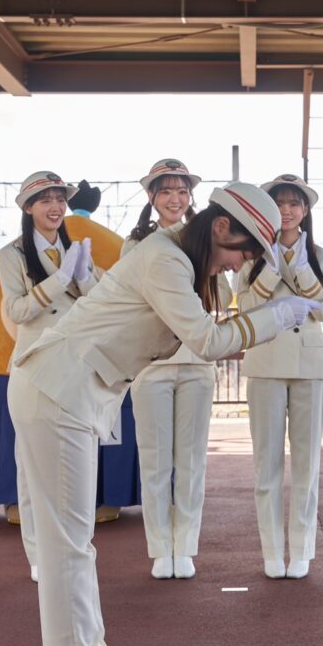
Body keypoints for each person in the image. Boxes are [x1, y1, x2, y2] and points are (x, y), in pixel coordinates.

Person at [7, 181, 320, 646]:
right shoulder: (167, 260)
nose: (234, 266)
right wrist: (279, 315)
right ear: (220, 227)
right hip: (57, 391)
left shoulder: (173, 254)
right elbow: (208, 341)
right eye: (240, 252)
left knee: (73, 543)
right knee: (68, 546)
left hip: (66, 390)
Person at [121, 159, 231, 580]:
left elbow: (225, 287)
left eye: (181, 191)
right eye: (165, 191)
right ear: (151, 197)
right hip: (152, 362)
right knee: (154, 460)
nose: (174, 199)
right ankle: (158, 548)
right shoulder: (136, 245)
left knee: (190, 460)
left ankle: (184, 545)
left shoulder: (207, 239)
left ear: (191, 198)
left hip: (197, 360)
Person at [0, 171, 98, 582]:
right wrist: (60, 281)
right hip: (34, 368)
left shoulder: (80, 250)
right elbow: (18, 312)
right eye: (45, 200)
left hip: (75, 368)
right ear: (28, 208)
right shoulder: (14, 254)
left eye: (59, 198)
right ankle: (39, 553)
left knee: (82, 460)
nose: (55, 207)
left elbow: (102, 303)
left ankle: (76, 546)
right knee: (32, 465)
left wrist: (87, 277)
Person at [236, 174, 323, 579]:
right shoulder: (249, 254)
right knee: (267, 464)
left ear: (306, 211)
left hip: (310, 366)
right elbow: (244, 304)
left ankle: (302, 551)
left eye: (295, 204)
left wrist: (295, 266)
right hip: (265, 362)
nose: (288, 211)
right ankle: (271, 552)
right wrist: (270, 269)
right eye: (279, 203)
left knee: (307, 464)